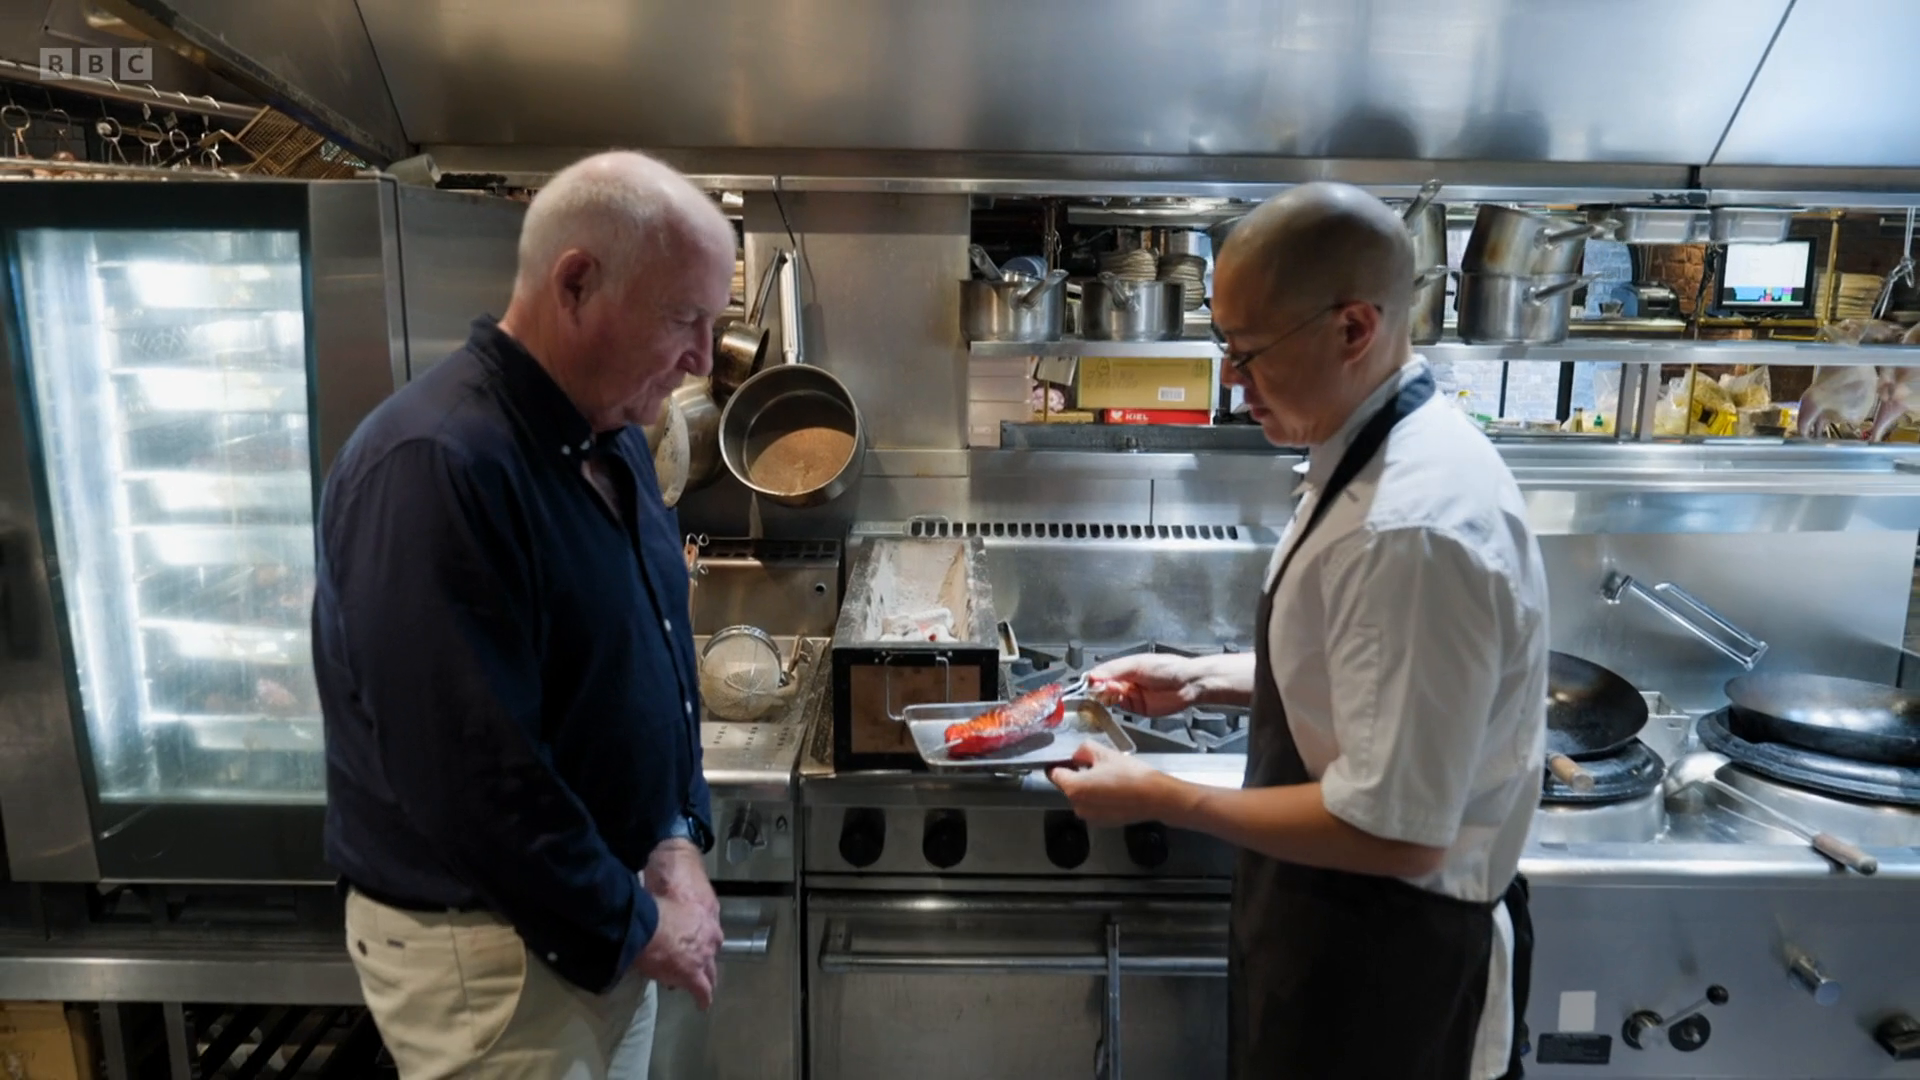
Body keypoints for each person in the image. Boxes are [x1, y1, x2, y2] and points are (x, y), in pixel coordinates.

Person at [1052, 183, 1548, 1080]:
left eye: (1248, 352)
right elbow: (1364, 673)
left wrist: (1164, 795)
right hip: (1332, 935)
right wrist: (1203, 678)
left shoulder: (1411, 527)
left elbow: (1397, 833)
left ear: (1353, 328)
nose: (1231, 380)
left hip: (1392, 975)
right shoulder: (1364, 452)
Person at [314, 150, 735, 1079]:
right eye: (684, 319)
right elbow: (473, 779)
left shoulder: (612, 439)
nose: (703, 360)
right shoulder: (434, 465)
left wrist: (675, 834)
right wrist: (637, 925)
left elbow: (658, 649)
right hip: (500, 955)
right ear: (576, 284)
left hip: (601, 918)